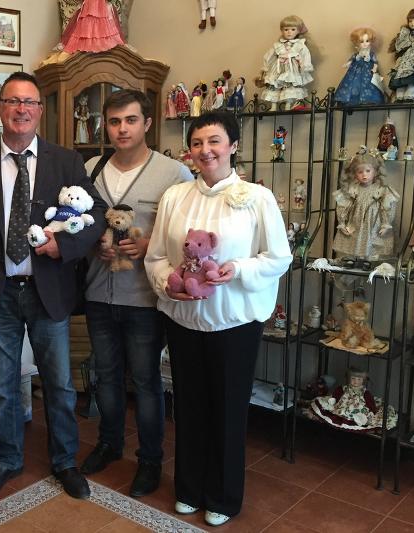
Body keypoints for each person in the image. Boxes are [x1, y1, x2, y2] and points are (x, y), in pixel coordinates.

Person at [0, 71, 107, 500]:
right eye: (13, 101)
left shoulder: (66, 161)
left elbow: (97, 216)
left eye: (29, 102)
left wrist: (64, 246)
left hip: (48, 292)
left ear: (39, 111)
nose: (21, 109)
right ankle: (7, 460)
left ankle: (65, 461)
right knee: (1, 386)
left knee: (59, 386)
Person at [145, 111, 291, 526]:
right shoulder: (175, 197)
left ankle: (223, 497)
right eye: (197, 143)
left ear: (232, 146)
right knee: (188, 405)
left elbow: (278, 257)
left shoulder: (256, 197)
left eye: (214, 141)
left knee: (227, 409)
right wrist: (166, 284)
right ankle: (189, 488)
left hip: (235, 322)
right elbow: (156, 256)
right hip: (183, 319)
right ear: (189, 150)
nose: (205, 150)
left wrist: (237, 269)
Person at [79, 89, 192, 497]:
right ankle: (109, 444)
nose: (122, 129)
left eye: (130, 120)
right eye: (114, 122)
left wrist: (150, 245)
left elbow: (187, 235)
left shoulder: (175, 174)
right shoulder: (90, 169)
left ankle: (149, 460)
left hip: (144, 298)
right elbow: (78, 222)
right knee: (106, 375)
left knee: (145, 381)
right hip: (98, 293)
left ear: (147, 123)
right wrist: (93, 243)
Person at [332, 147, 399, 260]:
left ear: (375, 172)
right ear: (355, 174)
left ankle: (370, 262)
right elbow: (344, 206)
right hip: (356, 224)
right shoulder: (353, 188)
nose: (364, 175)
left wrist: (386, 223)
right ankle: (354, 261)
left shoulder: (381, 189)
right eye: (360, 172)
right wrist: (342, 222)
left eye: (368, 171)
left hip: (374, 225)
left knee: (373, 247)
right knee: (353, 245)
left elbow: (388, 207)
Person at [258, 15, 314, 111]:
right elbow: (269, 56)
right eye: (286, 29)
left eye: (293, 29)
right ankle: (273, 106)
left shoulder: (300, 45)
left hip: (292, 69)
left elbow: (306, 55)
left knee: (290, 84)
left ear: (298, 31)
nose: (289, 32)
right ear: (282, 30)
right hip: (278, 68)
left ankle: (288, 104)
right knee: (274, 84)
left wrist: (304, 65)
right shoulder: (277, 45)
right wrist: (266, 68)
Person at [334, 27, 385, 105]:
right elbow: (352, 59)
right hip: (355, 70)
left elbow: (375, 62)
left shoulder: (371, 54)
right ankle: (353, 99)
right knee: (354, 83)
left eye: (367, 41)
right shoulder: (357, 54)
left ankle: (368, 100)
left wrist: (374, 69)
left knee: (369, 84)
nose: (365, 44)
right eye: (361, 41)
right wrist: (348, 64)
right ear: (357, 42)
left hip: (368, 71)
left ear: (371, 41)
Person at [389, 9, 414, 102]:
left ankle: (410, 94)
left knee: (412, 78)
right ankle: (400, 95)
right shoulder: (406, 33)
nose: (412, 23)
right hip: (405, 59)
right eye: (410, 21)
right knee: (401, 76)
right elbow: (399, 47)